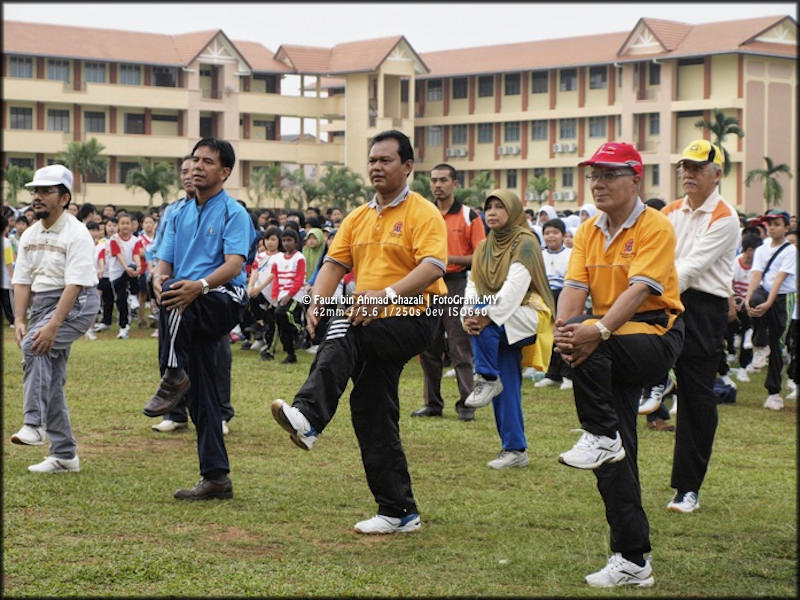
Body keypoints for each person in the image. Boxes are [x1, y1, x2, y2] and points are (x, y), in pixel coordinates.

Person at [270, 129, 447, 534]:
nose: (376, 167)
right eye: (371, 160)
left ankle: (309, 416)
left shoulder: (422, 212)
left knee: (346, 325)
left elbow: (433, 266)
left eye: (385, 160)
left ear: (407, 166)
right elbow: (334, 264)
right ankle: (398, 510)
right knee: (371, 407)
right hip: (372, 316)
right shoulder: (359, 216)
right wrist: (317, 301)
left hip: (417, 313)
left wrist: (383, 297)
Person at [555, 143, 684, 587]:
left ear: (636, 180)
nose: (599, 183)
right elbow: (574, 287)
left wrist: (596, 330)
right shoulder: (589, 229)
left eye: (610, 174)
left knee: (591, 343)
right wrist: (565, 327)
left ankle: (599, 433)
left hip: (654, 332)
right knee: (614, 456)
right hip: (610, 336)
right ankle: (633, 559)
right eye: (594, 174)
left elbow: (637, 293)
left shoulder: (655, 226)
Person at [142, 138, 256, 498]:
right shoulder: (177, 212)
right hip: (187, 303)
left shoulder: (234, 212)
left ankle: (172, 373)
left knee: (178, 295)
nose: (198, 166)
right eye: (195, 159)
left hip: (223, 296)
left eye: (207, 161)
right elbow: (165, 262)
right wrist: (158, 280)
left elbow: (235, 265)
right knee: (203, 391)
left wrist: (198, 285)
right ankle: (217, 478)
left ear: (224, 172)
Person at [661, 139, 740, 514]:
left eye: (697, 168)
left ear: (717, 173)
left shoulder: (725, 216)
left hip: (702, 307)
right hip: (665, 298)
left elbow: (691, 268)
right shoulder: (671, 211)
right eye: (684, 167)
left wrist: (645, 290)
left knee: (695, 398)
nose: (688, 174)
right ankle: (657, 382)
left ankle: (688, 488)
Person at [9, 165, 99, 472]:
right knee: (50, 379)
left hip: (76, 302)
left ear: (64, 198)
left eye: (46, 192)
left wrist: (52, 326)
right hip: (45, 302)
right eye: (35, 191)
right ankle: (64, 455)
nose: (37, 197)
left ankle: (33, 424)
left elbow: (75, 284)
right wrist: (20, 320)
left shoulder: (77, 234)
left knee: (34, 347)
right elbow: (22, 280)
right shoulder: (30, 234)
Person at [461, 189, 554, 468]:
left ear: (513, 210)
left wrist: (484, 314)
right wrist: (468, 313)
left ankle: (486, 377)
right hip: (499, 318)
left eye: (499, 206)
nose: (491, 212)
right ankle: (515, 450)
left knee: (484, 328)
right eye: (488, 207)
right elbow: (473, 285)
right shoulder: (484, 247)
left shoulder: (525, 242)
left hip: (529, 312)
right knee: (507, 387)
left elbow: (515, 288)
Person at [415, 163, 485, 421]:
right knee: (428, 345)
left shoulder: (470, 216)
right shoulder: (424, 214)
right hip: (427, 284)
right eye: (434, 180)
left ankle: (467, 403)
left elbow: (479, 257)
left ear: (455, 183)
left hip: (456, 282)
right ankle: (432, 403)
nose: (437, 185)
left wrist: (444, 259)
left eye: (443, 180)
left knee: (459, 345)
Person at [745, 209, 796, 410]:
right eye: (770, 224)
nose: (773, 228)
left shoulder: (791, 251)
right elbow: (756, 274)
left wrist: (769, 304)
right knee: (754, 302)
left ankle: (774, 393)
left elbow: (779, 279)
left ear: (786, 227)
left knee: (778, 343)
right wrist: (748, 299)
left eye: (777, 224)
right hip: (763, 292)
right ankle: (759, 344)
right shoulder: (762, 248)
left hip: (783, 297)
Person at [535, 217, 573, 390]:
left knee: (563, 334)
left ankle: (568, 375)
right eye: (547, 233)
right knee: (547, 335)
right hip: (544, 296)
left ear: (563, 235)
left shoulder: (570, 254)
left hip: (564, 295)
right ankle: (551, 373)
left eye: (555, 233)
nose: (551, 236)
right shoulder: (539, 255)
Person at [271, 228, 306, 363]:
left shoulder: (299, 258)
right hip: (282, 295)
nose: (286, 243)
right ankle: (290, 353)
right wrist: (275, 297)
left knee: (284, 314)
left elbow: (299, 279)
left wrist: (289, 295)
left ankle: (300, 331)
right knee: (281, 323)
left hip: (295, 295)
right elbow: (276, 279)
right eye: (284, 240)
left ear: (296, 242)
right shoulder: (278, 258)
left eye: (289, 240)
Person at [108, 211, 139, 339]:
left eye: (128, 223)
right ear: (119, 225)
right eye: (123, 223)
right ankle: (123, 326)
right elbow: (118, 255)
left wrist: (139, 268)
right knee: (120, 300)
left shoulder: (136, 240)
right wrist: (126, 268)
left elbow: (136, 255)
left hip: (131, 271)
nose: (125, 226)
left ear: (132, 225)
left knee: (133, 267)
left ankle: (133, 296)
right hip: (117, 273)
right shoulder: (114, 239)